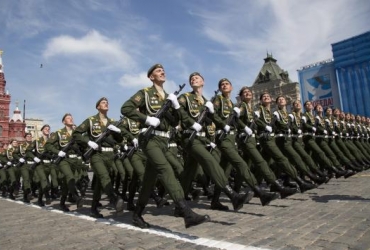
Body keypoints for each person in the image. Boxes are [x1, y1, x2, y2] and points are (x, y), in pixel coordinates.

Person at [121, 64, 210, 229]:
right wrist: (146, 119)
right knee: (166, 169)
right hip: (149, 139)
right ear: (151, 77)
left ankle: (137, 214)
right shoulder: (145, 93)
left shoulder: (169, 97)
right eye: (157, 71)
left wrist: (176, 106)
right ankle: (186, 212)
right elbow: (125, 108)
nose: (162, 72)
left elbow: (176, 122)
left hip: (164, 141)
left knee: (148, 180)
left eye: (163, 70)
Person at [178, 72, 254, 212]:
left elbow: (210, 121)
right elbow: (179, 112)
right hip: (190, 137)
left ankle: (179, 206)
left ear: (203, 82)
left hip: (201, 139)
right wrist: (190, 123)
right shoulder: (185, 97)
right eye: (192, 79)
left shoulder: (206, 101)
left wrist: (214, 127)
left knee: (188, 173)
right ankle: (233, 196)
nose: (194, 79)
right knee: (210, 162)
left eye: (197, 78)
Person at [212, 79, 279, 205]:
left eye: (227, 84)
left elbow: (236, 121)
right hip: (224, 138)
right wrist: (223, 125)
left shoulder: (231, 103)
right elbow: (213, 115)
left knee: (224, 171)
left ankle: (215, 201)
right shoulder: (218, 100)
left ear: (231, 87)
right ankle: (260, 193)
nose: (224, 85)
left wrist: (242, 127)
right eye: (222, 84)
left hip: (232, 138)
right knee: (241, 164)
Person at [236, 87, 298, 198]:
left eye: (249, 92)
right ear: (240, 96)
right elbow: (236, 119)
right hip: (247, 139)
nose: (247, 93)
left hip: (253, 139)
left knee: (245, 165)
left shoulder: (251, 108)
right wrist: (245, 127)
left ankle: (235, 191)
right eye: (244, 93)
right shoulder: (243, 106)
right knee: (262, 162)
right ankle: (282, 185)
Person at [73, 97, 124, 218]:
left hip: (110, 155)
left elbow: (120, 140)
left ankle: (93, 208)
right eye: (103, 102)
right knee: (104, 176)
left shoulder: (112, 122)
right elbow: (76, 133)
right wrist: (88, 142)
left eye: (107, 102)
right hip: (97, 155)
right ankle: (114, 199)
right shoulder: (91, 120)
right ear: (98, 107)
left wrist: (117, 131)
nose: (106, 104)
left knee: (100, 183)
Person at [255, 92, 316, 192]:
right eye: (263, 97)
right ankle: (301, 181)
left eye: (268, 96)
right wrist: (265, 126)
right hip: (268, 139)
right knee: (283, 159)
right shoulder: (263, 112)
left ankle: (260, 186)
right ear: (261, 100)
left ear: (271, 99)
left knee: (264, 163)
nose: (266, 97)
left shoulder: (270, 112)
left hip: (273, 138)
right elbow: (258, 121)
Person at [45, 113, 84, 212]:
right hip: (64, 160)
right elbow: (48, 145)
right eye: (68, 118)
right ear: (63, 122)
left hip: (74, 160)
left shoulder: (77, 133)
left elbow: (82, 146)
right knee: (70, 177)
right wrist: (58, 152)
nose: (71, 119)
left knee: (68, 183)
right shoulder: (58, 133)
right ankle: (76, 197)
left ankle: (62, 203)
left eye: (71, 117)